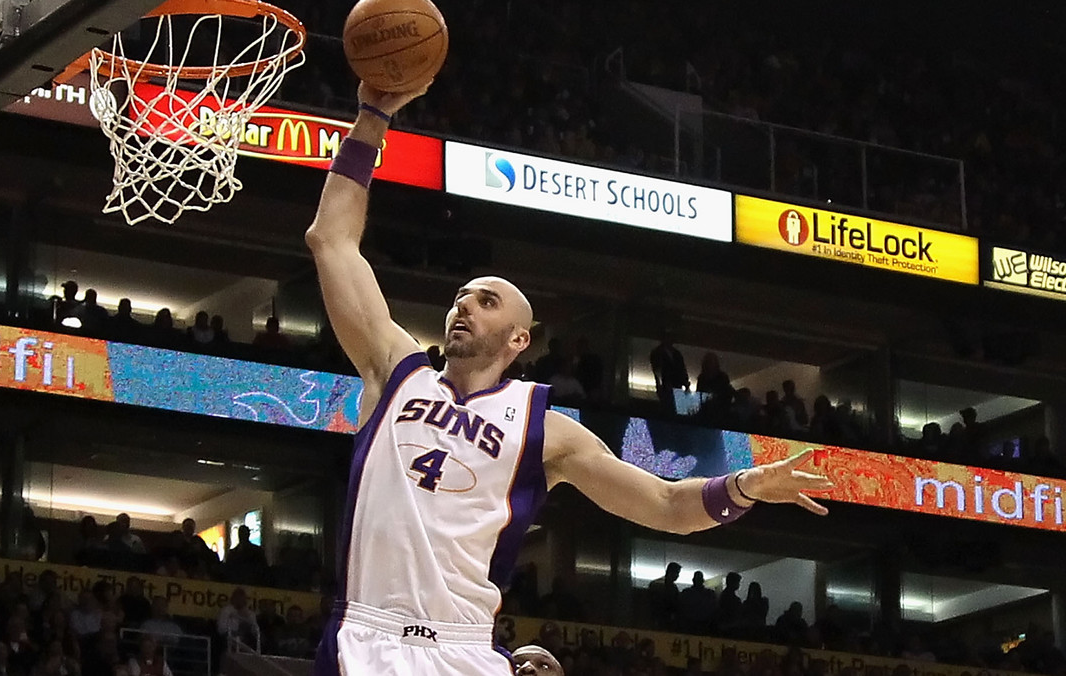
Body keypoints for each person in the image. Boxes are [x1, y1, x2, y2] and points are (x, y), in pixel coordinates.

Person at [306, 81, 833, 676]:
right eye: (460, 298)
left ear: (519, 339)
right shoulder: (395, 370)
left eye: (485, 301)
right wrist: (372, 118)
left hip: (464, 649)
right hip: (368, 636)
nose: (464, 307)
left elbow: (662, 503)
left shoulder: (548, 431)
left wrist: (744, 487)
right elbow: (332, 241)